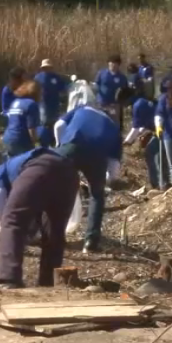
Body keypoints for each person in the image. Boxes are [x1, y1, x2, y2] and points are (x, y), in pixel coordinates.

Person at [0, 147, 80, 288]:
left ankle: (8, 279)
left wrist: (3, 227)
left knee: (13, 220)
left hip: (39, 167)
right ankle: (48, 283)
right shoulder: (18, 165)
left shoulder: (0, 171)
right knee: (54, 230)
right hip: (69, 172)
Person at [54, 104, 122, 253]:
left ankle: (54, 235)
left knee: (58, 190)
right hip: (97, 155)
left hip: (71, 145)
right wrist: (108, 180)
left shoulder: (82, 109)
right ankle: (91, 241)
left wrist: (60, 144)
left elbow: (59, 125)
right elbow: (114, 168)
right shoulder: (114, 129)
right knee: (97, 196)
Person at [124, 97, 164, 190]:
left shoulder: (138, 106)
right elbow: (144, 124)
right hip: (162, 129)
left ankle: (157, 184)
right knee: (156, 154)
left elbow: (136, 129)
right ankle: (160, 183)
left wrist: (127, 142)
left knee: (152, 153)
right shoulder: (143, 102)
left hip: (163, 131)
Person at [34, 59, 69, 147]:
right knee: (44, 122)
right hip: (43, 104)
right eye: (45, 68)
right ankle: (44, 142)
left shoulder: (56, 77)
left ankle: (54, 141)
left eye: (48, 67)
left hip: (54, 103)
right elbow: (34, 90)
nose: (47, 69)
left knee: (54, 122)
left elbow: (63, 88)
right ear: (42, 68)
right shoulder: (38, 78)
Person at [3, 80, 40, 157]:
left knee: (12, 164)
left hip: (8, 137)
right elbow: (31, 129)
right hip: (21, 140)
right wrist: (37, 144)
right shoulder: (31, 104)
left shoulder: (15, 102)